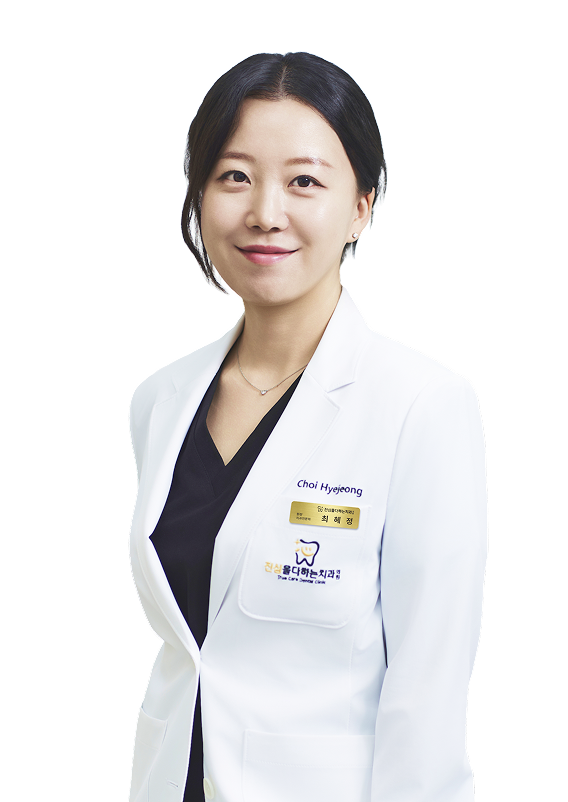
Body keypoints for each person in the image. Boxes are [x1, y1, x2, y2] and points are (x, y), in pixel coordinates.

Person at [128, 51, 488, 802]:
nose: (265, 212)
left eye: (304, 182)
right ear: (199, 197)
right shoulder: (160, 400)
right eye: (234, 176)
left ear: (362, 204)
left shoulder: (422, 404)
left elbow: (428, 692)